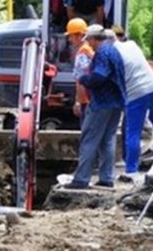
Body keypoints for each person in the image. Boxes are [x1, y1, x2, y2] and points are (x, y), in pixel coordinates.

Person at [64, 24, 126, 189]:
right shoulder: (114, 51)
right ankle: (106, 178)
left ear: (93, 39)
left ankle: (81, 179)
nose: (88, 43)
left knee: (89, 139)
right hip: (117, 102)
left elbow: (99, 76)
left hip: (102, 103)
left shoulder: (102, 53)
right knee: (107, 139)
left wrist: (84, 79)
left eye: (89, 40)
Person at [113, 38, 153, 176]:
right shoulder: (131, 45)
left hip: (136, 93)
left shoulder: (112, 53)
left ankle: (131, 169)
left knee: (133, 131)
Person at [65, 18, 94, 125]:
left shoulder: (83, 52)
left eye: (71, 36)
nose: (69, 40)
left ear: (79, 35)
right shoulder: (90, 50)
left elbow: (82, 80)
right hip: (92, 99)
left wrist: (78, 102)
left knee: (87, 135)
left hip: (86, 101)